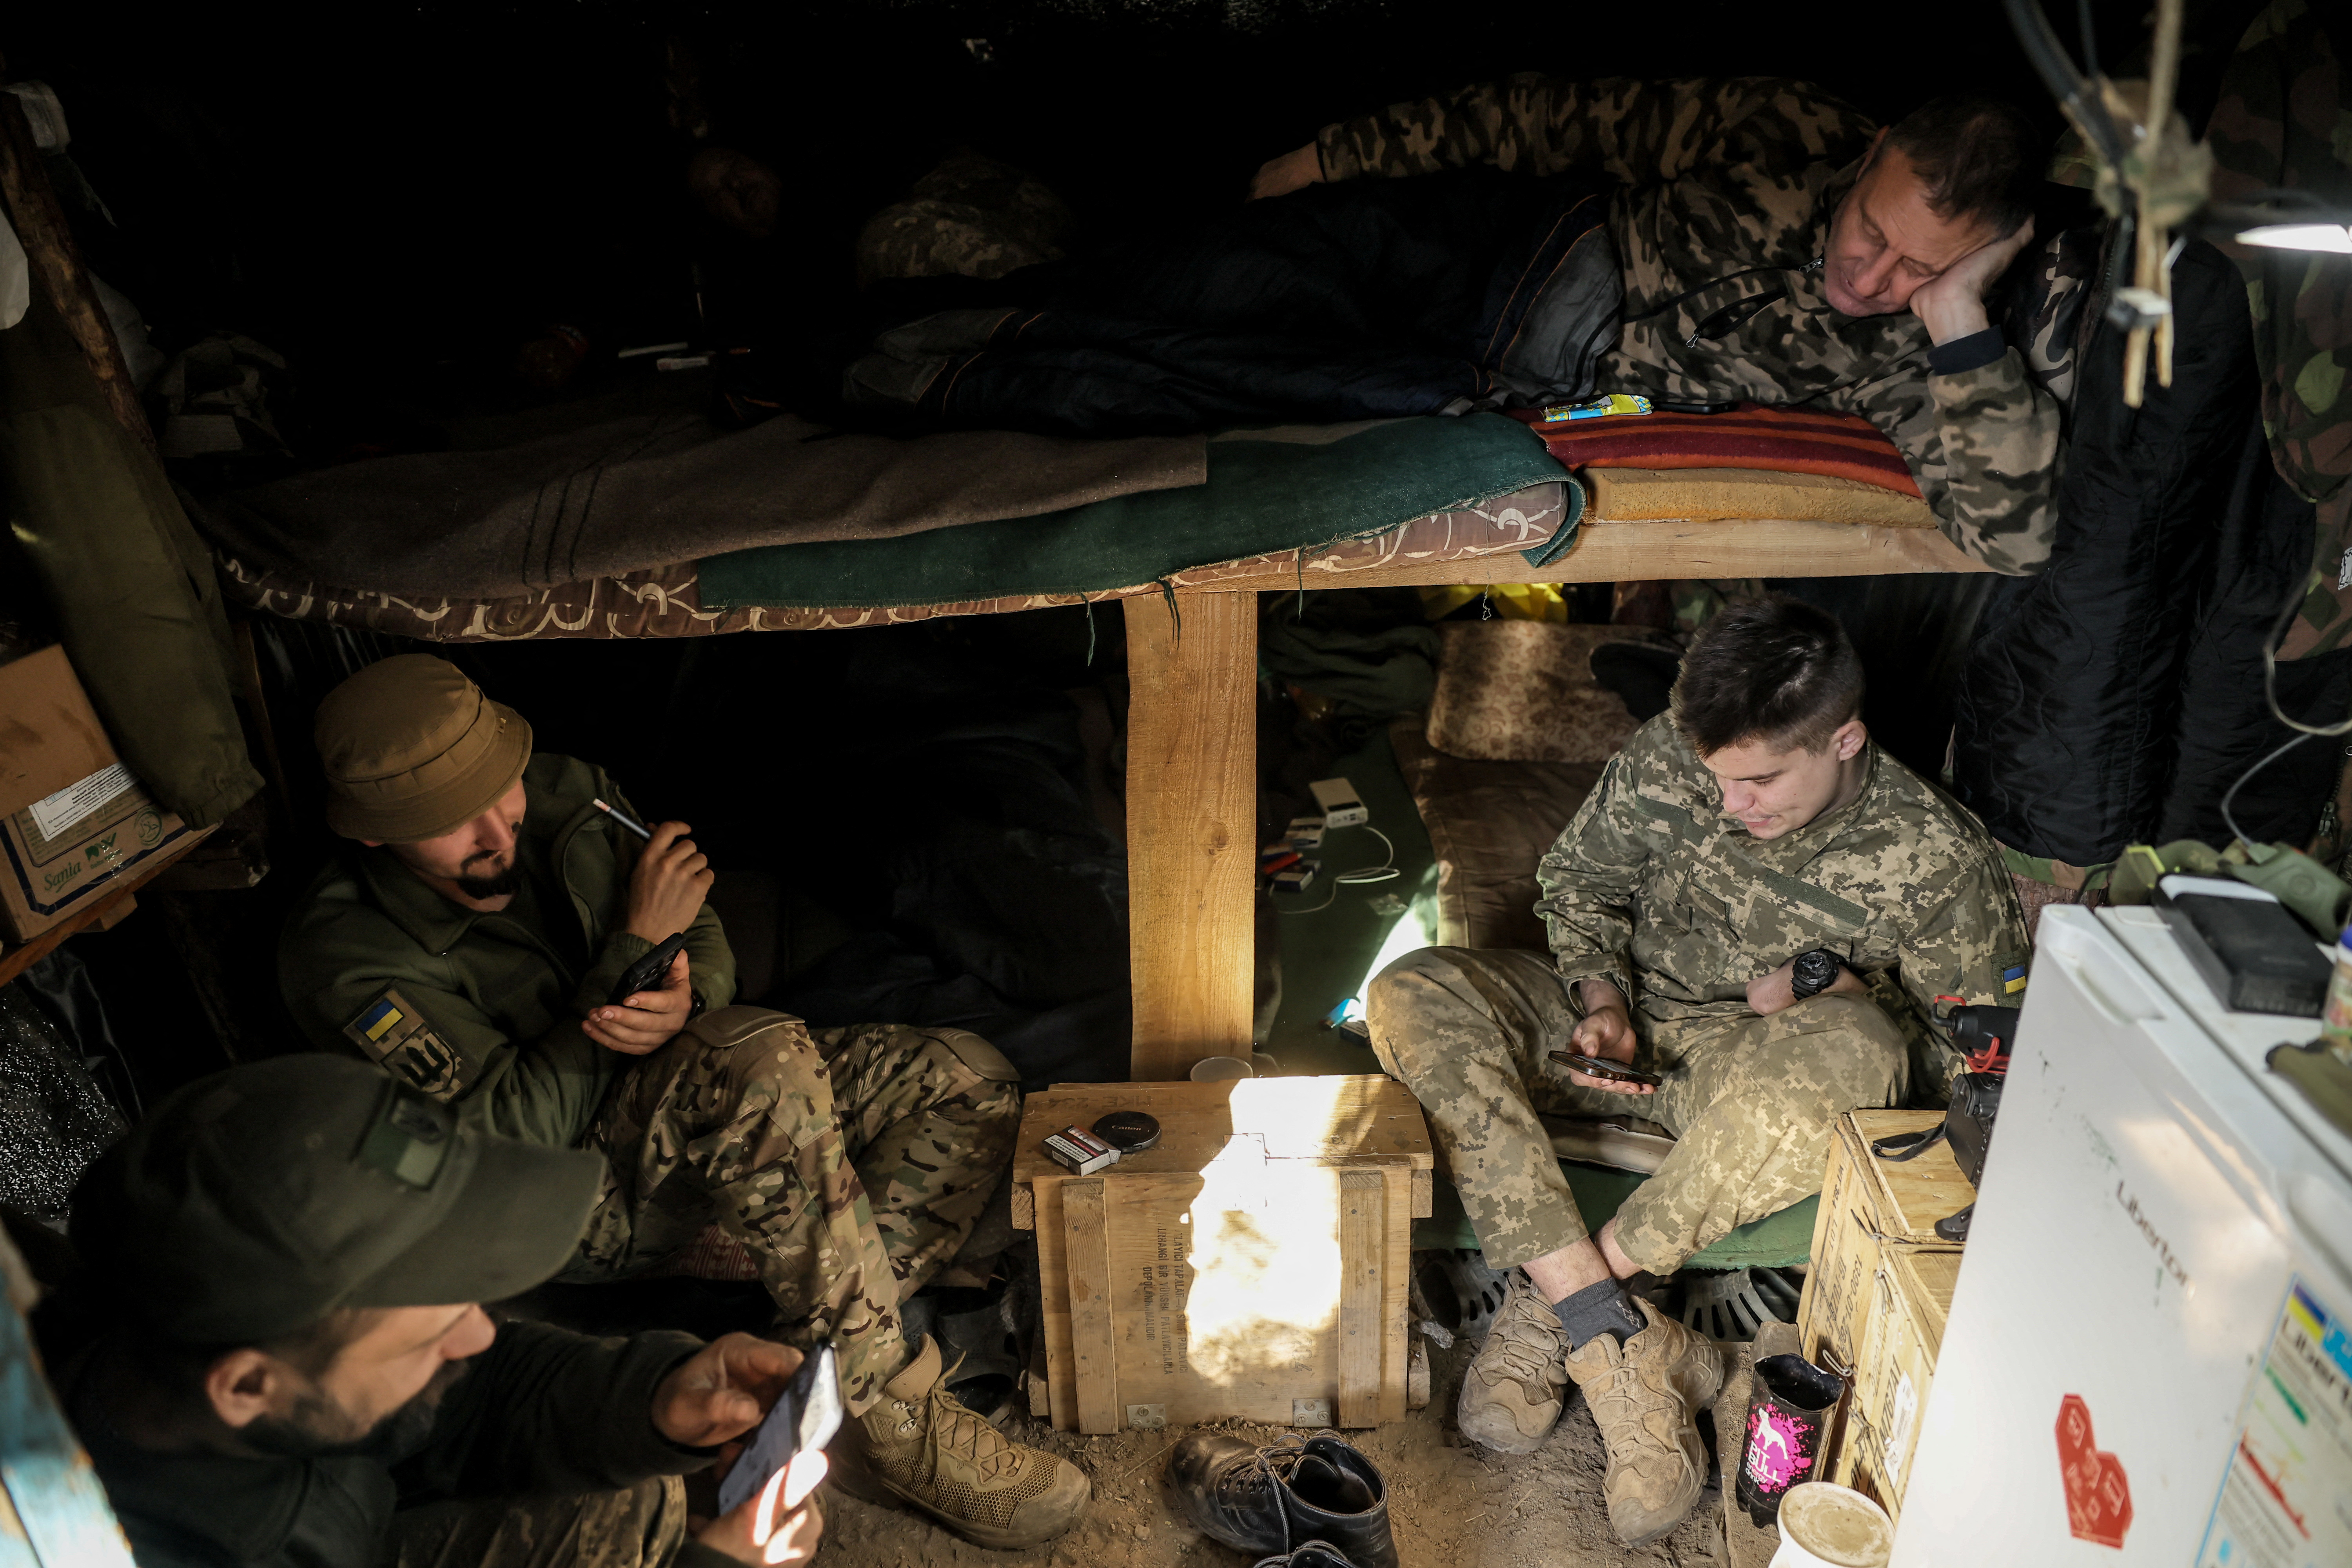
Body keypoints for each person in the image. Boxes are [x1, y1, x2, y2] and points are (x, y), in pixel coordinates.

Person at [275, 653, 1087, 1550]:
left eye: (501, 793)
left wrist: (687, 991)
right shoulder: (345, 955)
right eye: (452, 824)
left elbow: (692, 913)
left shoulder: (568, 794)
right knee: (754, 1057)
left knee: (968, 1077)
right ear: (375, 840)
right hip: (568, 1194)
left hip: (705, 1096)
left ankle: (825, 1370)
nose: (498, 831)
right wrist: (630, 958)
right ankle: (891, 1411)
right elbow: (500, 1136)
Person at [1364, 595, 2030, 1545]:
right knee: (1412, 990)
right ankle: (1615, 1330)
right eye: (1718, 778)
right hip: (1620, 1028)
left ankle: (1559, 1304)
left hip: (1751, 1068)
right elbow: (1579, 880)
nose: (1731, 805)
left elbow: (1971, 1064)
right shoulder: (1675, 753)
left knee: (1859, 1051)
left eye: (1760, 781)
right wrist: (1600, 997)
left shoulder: (1936, 858)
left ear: (1845, 739)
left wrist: (1843, 996)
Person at [1248, 78, 2062, 575]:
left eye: (1920, 268)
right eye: (1872, 231)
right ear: (1875, 154)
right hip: (1523, 248)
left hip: (1520, 378)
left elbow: (2015, 545)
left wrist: (1960, 322)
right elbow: (1562, 119)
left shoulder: (1914, 354)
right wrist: (1338, 155)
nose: (1872, 279)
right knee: (1242, 277)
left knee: (1255, 379)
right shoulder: (1790, 134)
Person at [46, 1054, 828, 1568]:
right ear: (248, 1385)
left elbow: (465, 1400)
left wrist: (649, 1397)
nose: (481, 1332)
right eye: (429, 1334)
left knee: (630, 1496)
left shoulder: (198, 1344)